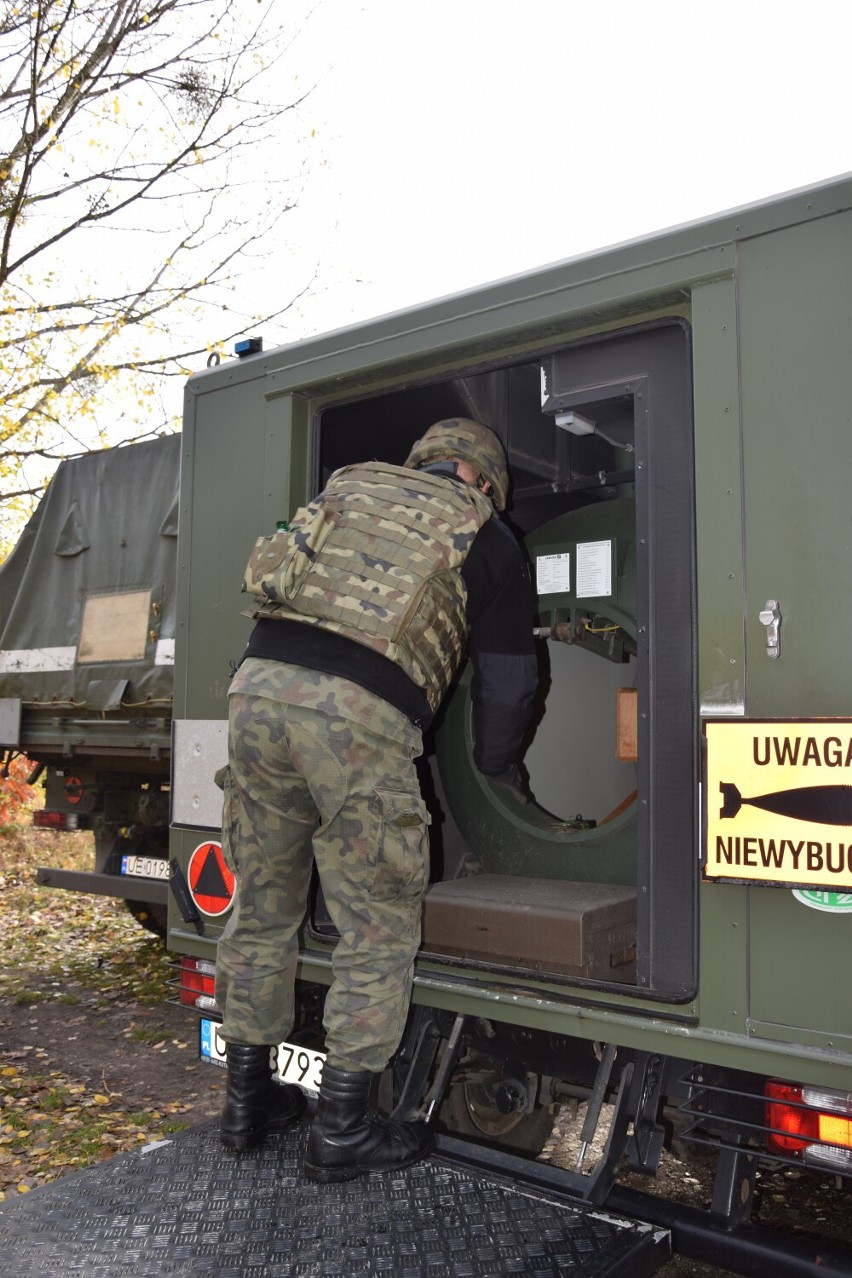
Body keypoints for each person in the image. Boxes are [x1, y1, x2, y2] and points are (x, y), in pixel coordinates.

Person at [214, 418, 537, 1182]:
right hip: (357, 721)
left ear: (420, 463)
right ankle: (344, 1129)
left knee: (261, 909)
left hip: (255, 696)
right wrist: (497, 768)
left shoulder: (347, 491)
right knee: (378, 925)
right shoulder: (488, 537)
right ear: (486, 481)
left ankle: (246, 1103)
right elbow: (509, 685)